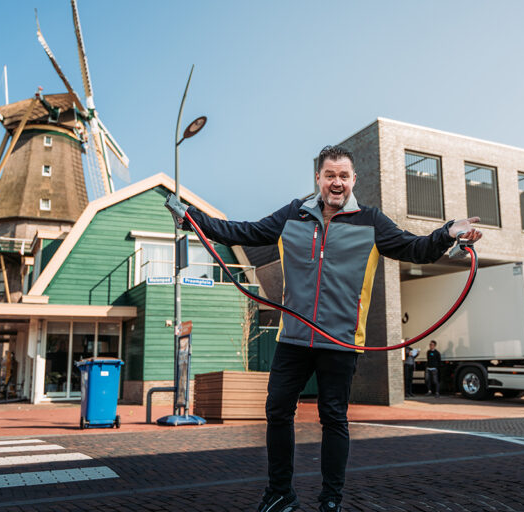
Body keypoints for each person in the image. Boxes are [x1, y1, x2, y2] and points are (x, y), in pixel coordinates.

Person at [168, 145, 482, 512]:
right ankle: (280, 493)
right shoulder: (292, 215)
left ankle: (331, 499)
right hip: (294, 337)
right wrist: (193, 219)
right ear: (318, 178)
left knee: (333, 417)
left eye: (344, 176)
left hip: (341, 341)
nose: (337, 182)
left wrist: (448, 233)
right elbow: (245, 232)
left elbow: (417, 249)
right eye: (330, 175)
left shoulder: (371, 221)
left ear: (353, 180)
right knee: (277, 410)